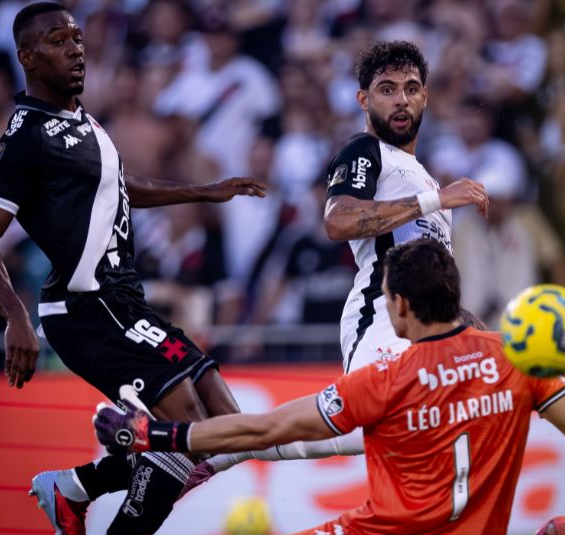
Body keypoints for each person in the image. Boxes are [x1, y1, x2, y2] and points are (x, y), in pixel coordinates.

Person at [94, 240, 565, 535]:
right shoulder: (521, 361)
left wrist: (152, 436)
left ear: (402, 306)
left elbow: (263, 430)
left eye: (387, 298)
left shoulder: (383, 379)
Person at [0, 3, 267, 535]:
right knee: (181, 431)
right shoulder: (25, 137)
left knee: (228, 434)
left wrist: (205, 191)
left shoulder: (82, 122)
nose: (75, 48)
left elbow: (122, 189)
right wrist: (14, 317)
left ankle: (78, 487)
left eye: (77, 38)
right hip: (89, 309)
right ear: (27, 56)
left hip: (129, 305)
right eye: (56, 40)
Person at [195, 40, 492, 477]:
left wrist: (475, 333)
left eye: (411, 88)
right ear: (363, 100)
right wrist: (434, 199)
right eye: (387, 89)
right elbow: (338, 221)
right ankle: (228, 446)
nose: (401, 99)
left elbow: (435, 276)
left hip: (428, 327)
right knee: (379, 429)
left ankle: (229, 447)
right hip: (382, 317)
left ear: (425, 96)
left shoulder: (423, 177)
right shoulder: (364, 152)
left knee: (449, 430)